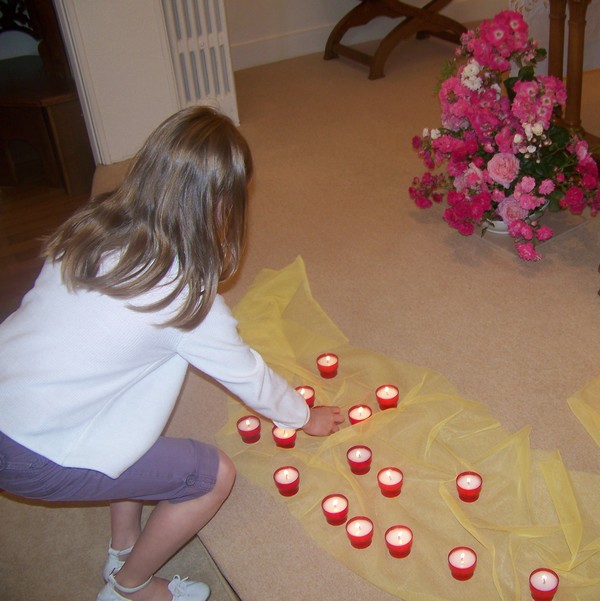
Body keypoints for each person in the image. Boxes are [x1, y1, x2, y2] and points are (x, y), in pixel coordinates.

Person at [0, 106, 344, 601]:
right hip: (31, 453)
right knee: (212, 475)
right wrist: (303, 416)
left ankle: (124, 545)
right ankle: (131, 586)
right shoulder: (185, 298)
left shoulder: (90, 228)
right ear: (222, 207)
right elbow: (249, 376)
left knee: (139, 422)